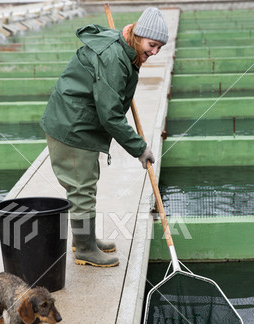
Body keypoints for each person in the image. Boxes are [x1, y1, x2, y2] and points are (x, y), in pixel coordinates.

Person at [41, 7, 168, 268]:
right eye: (152, 45)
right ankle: (85, 250)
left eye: (159, 48)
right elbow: (110, 116)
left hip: (77, 122)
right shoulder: (114, 58)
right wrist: (139, 148)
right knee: (82, 189)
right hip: (72, 127)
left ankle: (85, 239)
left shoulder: (124, 47)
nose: (154, 52)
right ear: (137, 34)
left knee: (85, 185)